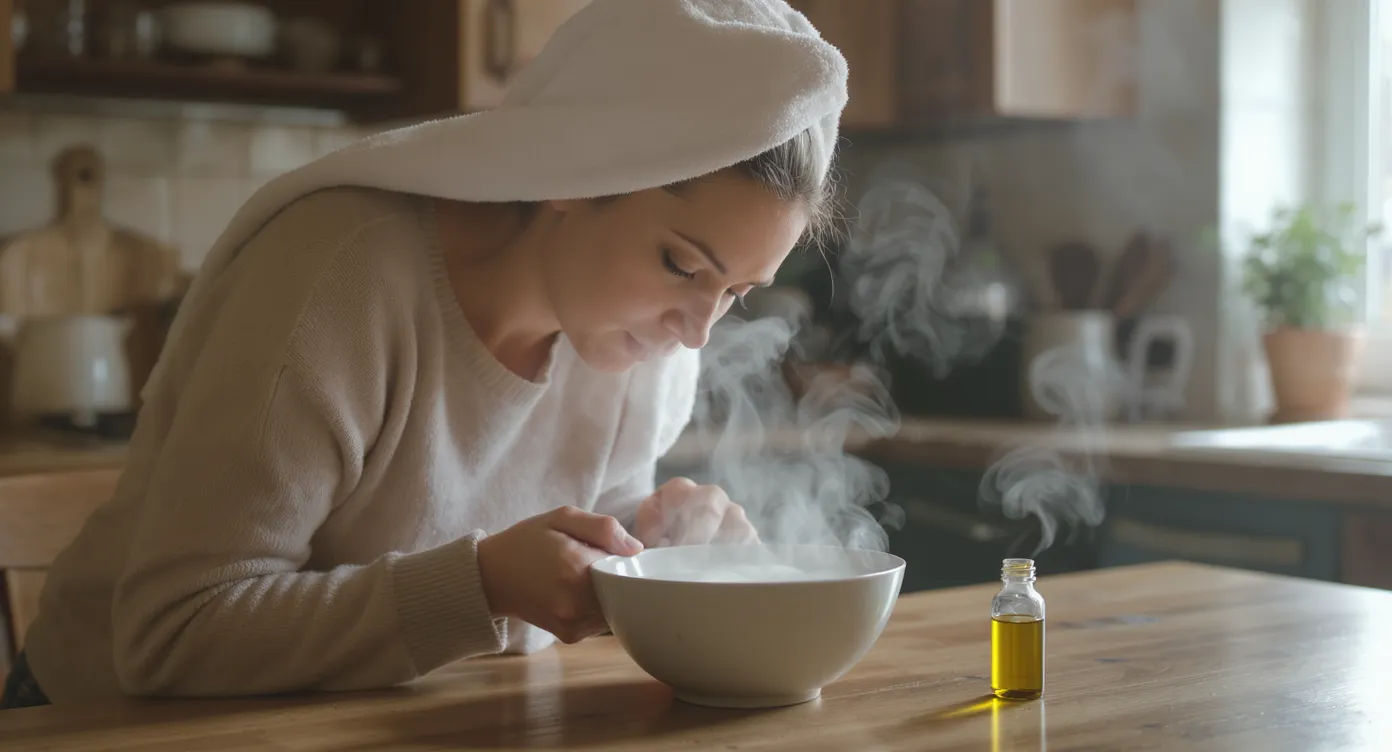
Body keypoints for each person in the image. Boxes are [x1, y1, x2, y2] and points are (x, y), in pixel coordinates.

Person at [2, 0, 848, 708]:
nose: (698, 332)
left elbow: (564, 549)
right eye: (682, 266)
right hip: (101, 722)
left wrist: (649, 545)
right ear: (578, 171)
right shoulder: (340, 275)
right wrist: (481, 586)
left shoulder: (645, 342)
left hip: (394, 718)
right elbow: (172, 634)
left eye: (737, 292)